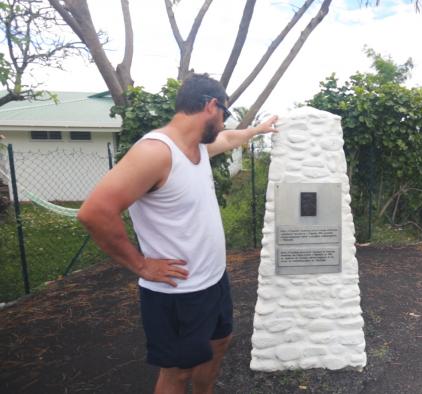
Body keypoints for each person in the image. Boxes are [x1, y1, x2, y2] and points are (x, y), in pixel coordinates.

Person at [77, 73, 277, 394]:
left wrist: (257, 130)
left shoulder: (196, 148)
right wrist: (141, 265)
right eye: (224, 114)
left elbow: (226, 140)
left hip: (213, 280)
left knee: (220, 342)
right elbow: (94, 212)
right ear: (211, 105)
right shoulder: (156, 152)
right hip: (178, 294)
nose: (224, 124)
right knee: (177, 374)